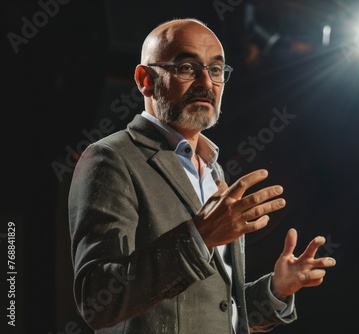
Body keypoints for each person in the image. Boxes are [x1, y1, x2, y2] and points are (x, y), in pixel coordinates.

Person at [68, 18, 336, 334]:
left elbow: (216, 309)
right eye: (186, 67)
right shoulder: (112, 158)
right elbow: (97, 301)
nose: (206, 83)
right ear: (145, 80)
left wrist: (275, 290)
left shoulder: (213, 169)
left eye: (216, 70)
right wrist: (200, 235)